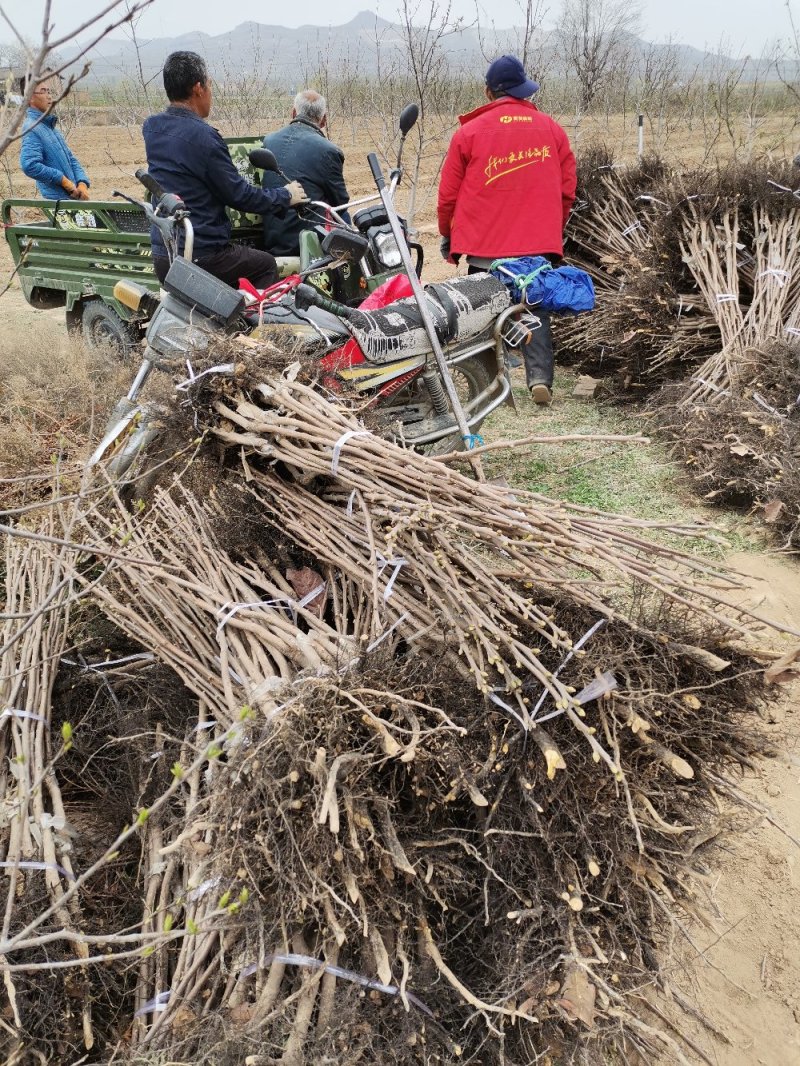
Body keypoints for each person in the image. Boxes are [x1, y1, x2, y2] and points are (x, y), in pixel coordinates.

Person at [437, 55, 576, 405]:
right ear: (523, 91)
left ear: (488, 92)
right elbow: (567, 189)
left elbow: (449, 196)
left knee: (480, 309)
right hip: (535, 244)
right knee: (535, 305)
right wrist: (550, 229)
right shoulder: (551, 129)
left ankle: (487, 381)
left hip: (485, 246)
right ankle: (539, 378)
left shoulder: (467, 133)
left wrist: (447, 234)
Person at [142, 51, 309, 288]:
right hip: (201, 255)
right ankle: (262, 326)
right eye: (209, 85)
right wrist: (286, 195)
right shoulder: (205, 137)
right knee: (265, 265)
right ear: (198, 88)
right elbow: (239, 195)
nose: (211, 92)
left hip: (164, 254)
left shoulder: (152, 128)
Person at [261, 90, 350, 256]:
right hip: (307, 243)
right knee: (344, 215)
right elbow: (341, 201)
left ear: (293, 113)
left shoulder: (269, 140)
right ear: (323, 120)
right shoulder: (328, 150)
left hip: (272, 238)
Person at [19, 74, 91, 201]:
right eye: (43, 92)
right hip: (58, 204)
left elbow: (71, 159)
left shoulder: (50, 127)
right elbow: (29, 165)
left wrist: (82, 183)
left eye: (49, 91)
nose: (49, 96)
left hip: (72, 200)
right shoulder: (32, 128)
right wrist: (63, 180)